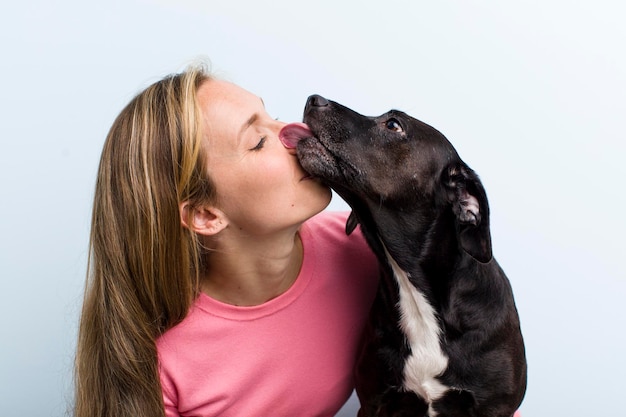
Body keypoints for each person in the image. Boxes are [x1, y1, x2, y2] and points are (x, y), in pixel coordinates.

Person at [73, 62, 380, 417]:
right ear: (205, 215)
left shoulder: (367, 251)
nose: (297, 133)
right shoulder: (163, 371)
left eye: (274, 116)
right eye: (259, 142)